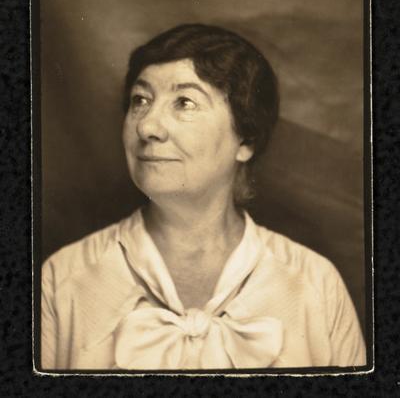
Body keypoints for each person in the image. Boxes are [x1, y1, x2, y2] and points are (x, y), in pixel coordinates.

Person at [41, 24, 366, 370]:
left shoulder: (315, 284)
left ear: (245, 141)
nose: (147, 126)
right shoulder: (64, 279)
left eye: (184, 102)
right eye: (140, 100)